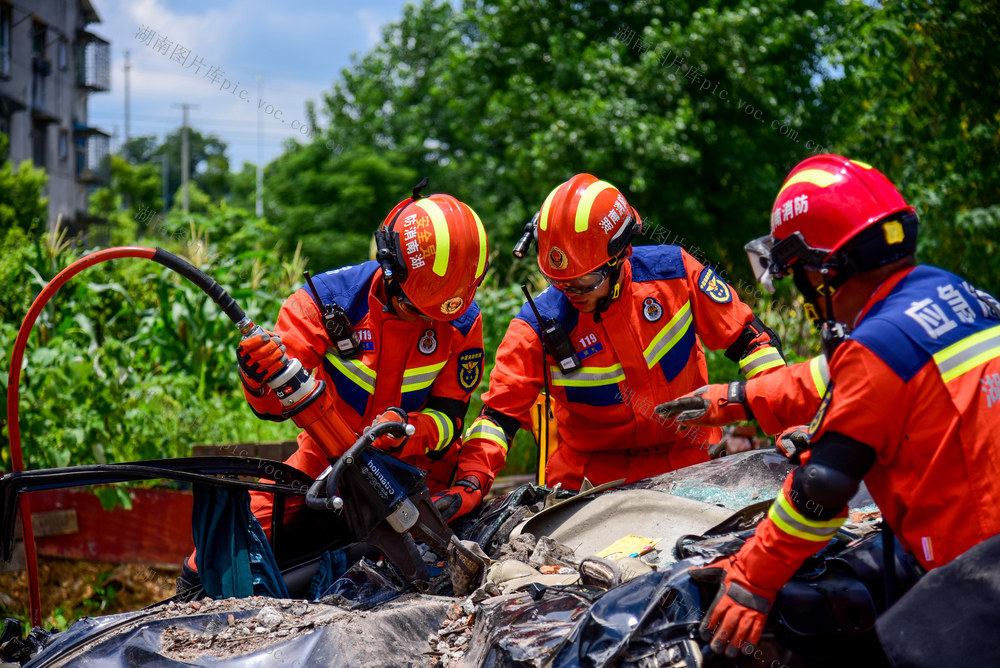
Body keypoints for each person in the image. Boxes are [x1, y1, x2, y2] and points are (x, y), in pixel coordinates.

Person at [682, 154, 1000, 660]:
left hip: (978, 577)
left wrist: (750, 580)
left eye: (797, 276)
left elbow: (821, 489)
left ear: (824, 274)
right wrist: (734, 398)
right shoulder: (952, 293)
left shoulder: (875, 349)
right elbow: (832, 377)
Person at [180, 184, 495, 592]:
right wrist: (257, 376)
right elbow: (272, 406)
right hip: (326, 456)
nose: (423, 320)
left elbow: (451, 418)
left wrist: (408, 431)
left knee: (424, 574)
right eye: (412, 308)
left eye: (435, 313)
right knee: (215, 556)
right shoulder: (325, 303)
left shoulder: (461, 320)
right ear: (389, 268)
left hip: (415, 472)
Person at [460, 173, 787, 491]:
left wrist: (788, 422)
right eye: (559, 282)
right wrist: (471, 480)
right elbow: (498, 417)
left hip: (688, 464)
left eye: (585, 281)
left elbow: (751, 342)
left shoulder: (676, 275)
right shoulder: (535, 327)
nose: (572, 293)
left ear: (621, 254)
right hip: (588, 483)